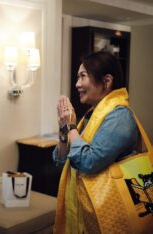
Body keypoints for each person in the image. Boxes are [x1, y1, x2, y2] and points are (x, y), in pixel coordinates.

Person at [52, 51, 139, 233]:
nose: (77, 84)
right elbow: (62, 160)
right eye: (77, 77)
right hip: (85, 210)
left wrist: (71, 127)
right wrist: (64, 130)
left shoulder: (119, 116)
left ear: (107, 82)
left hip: (106, 212)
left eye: (83, 76)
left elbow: (87, 161)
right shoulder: (92, 115)